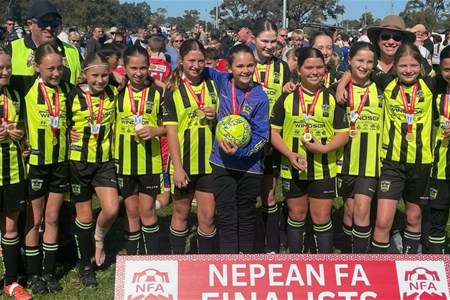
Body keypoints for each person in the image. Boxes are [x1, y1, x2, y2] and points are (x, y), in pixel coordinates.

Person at [270, 47, 349, 254]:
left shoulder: (332, 98)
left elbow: (343, 133)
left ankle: (324, 264)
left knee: (321, 218)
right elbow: (273, 133)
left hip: (324, 168)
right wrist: (289, 154)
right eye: (309, 67)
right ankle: (297, 263)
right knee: (296, 214)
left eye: (319, 67)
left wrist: (323, 148)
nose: (314, 72)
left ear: (325, 68)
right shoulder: (286, 97)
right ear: (299, 70)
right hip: (292, 166)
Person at [13, 44, 72, 294]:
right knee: (34, 219)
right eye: (50, 69)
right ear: (36, 67)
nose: (56, 73)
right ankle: (34, 274)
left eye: (59, 68)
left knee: (52, 218)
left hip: (60, 163)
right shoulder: (26, 87)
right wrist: (22, 140)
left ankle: (48, 273)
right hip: (35, 165)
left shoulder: (68, 89)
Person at [205, 44, 269, 253]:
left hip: (249, 165)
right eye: (240, 65)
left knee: (246, 214)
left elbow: (261, 136)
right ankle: (228, 262)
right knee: (226, 214)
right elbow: (196, 67)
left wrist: (240, 152)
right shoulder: (222, 80)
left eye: (250, 65)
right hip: (221, 162)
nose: (245, 70)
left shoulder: (260, 96)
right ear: (229, 67)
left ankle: (245, 262)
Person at [68, 53, 119, 287]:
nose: (100, 80)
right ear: (85, 74)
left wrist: (118, 75)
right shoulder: (72, 95)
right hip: (78, 162)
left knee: (111, 209)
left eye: (104, 75)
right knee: (85, 217)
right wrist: (67, 132)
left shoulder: (113, 93)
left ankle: (98, 240)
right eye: (95, 75)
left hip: (104, 161)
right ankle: (84, 265)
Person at [163, 40, 218, 254]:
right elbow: (171, 132)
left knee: (207, 215)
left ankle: (204, 262)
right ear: (181, 60)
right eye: (191, 61)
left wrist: (217, 115)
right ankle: (177, 260)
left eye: (200, 61)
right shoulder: (172, 89)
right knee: (181, 211)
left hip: (211, 163)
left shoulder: (213, 83)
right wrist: (177, 167)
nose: (196, 65)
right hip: (183, 162)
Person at [115, 46, 165, 255]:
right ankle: (133, 259)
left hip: (149, 160)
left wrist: (156, 130)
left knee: (148, 210)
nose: (138, 73)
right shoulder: (114, 92)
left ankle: (152, 256)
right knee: (131, 211)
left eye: (143, 68)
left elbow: (171, 126)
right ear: (124, 68)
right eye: (133, 68)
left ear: (149, 67)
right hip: (123, 161)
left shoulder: (159, 91)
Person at [335, 42, 383, 253]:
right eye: (360, 61)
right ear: (349, 61)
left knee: (362, 210)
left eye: (369, 62)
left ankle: (360, 259)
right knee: (350, 210)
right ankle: (347, 254)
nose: (364, 66)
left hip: (371, 161)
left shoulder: (381, 87)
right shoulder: (337, 91)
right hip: (344, 160)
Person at [252, 19, 290, 253]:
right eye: (264, 41)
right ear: (253, 39)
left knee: (269, 194)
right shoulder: (243, 63)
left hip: (273, 139)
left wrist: (287, 91)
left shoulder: (282, 67)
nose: (268, 46)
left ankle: (271, 246)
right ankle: (245, 244)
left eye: (273, 41)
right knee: (245, 196)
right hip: (245, 139)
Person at [0, 47, 33, 300]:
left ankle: (10, 283)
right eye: (0, 68)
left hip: (12, 173)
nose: (5, 72)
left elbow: (20, 125)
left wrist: (23, 141)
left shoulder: (14, 94)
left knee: (11, 227)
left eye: (8, 66)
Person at [8, 0, 82, 84]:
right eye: (43, 23)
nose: (49, 28)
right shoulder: (11, 50)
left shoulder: (73, 52)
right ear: (30, 24)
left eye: (54, 23)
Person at [427, 46, 450, 254]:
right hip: (441, 166)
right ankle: (437, 261)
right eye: (447, 69)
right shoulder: (438, 91)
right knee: (438, 218)